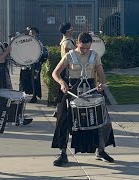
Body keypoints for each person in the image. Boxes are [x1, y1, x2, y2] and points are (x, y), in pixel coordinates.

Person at [51, 32, 115, 166]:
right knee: (63, 122)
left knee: (103, 122)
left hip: (91, 91)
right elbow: (55, 73)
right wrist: (62, 83)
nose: (85, 51)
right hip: (73, 92)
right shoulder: (69, 56)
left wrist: (101, 84)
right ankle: (63, 153)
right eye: (82, 48)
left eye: (87, 48)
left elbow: (102, 76)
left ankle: (101, 150)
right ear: (77, 43)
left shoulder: (95, 56)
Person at [19, 27, 47, 103]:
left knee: (34, 80)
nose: (31, 34)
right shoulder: (25, 42)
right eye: (30, 32)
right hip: (25, 64)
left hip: (35, 64)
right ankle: (22, 95)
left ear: (37, 34)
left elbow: (39, 54)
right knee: (23, 80)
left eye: (33, 33)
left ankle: (34, 96)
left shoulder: (39, 43)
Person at [53, 22, 76, 117]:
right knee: (65, 90)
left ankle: (58, 110)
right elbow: (68, 56)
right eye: (71, 28)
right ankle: (59, 110)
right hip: (66, 69)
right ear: (67, 31)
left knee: (63, 91)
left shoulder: (66, 40)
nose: (73, 29)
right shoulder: (67, 42)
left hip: (65, 68)